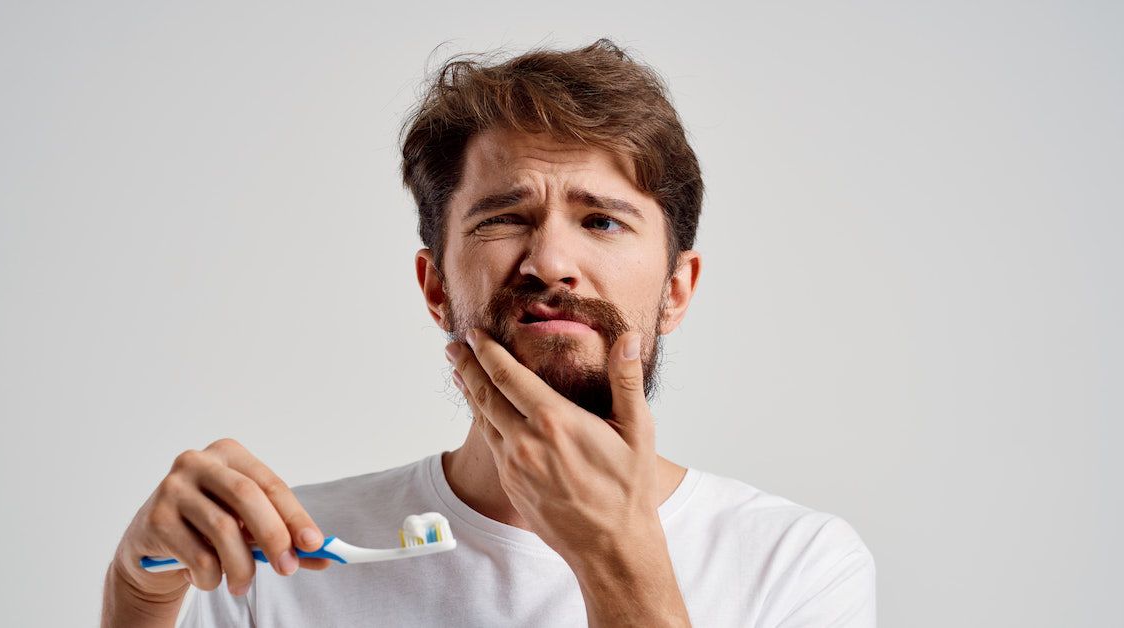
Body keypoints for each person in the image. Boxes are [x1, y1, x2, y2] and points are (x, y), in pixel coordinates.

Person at [101, 39, 877, 627]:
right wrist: (138, 593)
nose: (550, 262)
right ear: (437, 287)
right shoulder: (281, 559)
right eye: (505, 219)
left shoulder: (796, 564)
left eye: (601, 220)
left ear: (676, 290)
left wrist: (616, 559)